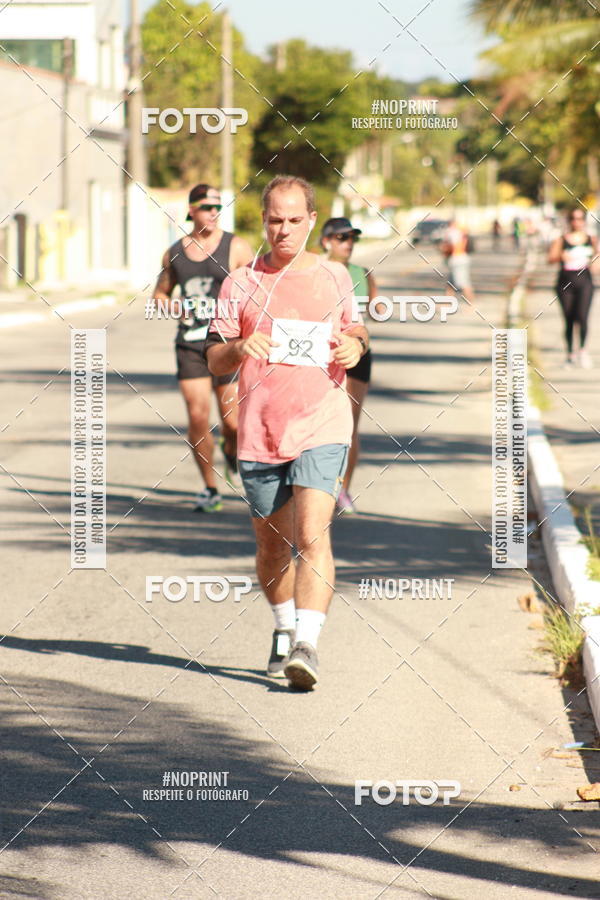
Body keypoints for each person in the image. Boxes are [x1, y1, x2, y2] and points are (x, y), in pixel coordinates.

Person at [205, 175, 369, 690]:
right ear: (262, 221)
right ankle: (282, 627)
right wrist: (239, 348)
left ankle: (306, 644)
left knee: (311, 535)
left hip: (323, 422)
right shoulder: (240, 284)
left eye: (295, 220)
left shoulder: (336, 277)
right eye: (275, 219)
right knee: (273, 546)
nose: (284, 229)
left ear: (312, 221)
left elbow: (356, 328)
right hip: (261, 430)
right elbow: (214, 357)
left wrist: (355, 348)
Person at [153, 183, 253, 511]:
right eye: (207, 207)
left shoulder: (236, 247)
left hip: (228, 345)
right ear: (191, 210)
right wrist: (174, 307)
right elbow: (160, 295)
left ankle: (232, 457)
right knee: (197, 416)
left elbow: (258, 288)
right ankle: (210, 488)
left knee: (233, 423)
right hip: (190, 345)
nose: (213, 212)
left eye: (218, 207)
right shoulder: (175, 252)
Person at [320, 216, 377, 514]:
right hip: (321, 353)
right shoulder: (315, 269)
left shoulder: (363, 273)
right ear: (327, 241)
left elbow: (374, 312)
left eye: (352, 238)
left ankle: (343, 488)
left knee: (350, 425)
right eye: (342, 238)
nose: (349, 244)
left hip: (356, 354)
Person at [548, 207, 597, 368]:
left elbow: (597, 262)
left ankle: (582, 351)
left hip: (585, 282)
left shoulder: (591, 239)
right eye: (573, 219)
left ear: (584, 221)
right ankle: (570, 354)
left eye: (579, 219)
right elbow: (550, 259)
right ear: (569, 221)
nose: (576, 222)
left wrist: (593, 262)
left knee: (582, 317)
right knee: (569, 319)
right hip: (565, 282)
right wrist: (561, 256)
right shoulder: (561, 239)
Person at [441, 219, 475, 304]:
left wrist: (445, 248)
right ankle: (446, 303)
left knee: (464, 283)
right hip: (458, 260)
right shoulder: (459, 232)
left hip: (458, 260)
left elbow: (457, 248)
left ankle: (471, 304)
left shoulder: (454, 233)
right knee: (450, 284)